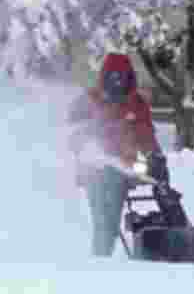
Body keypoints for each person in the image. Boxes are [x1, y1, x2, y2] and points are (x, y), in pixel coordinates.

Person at [67, 53, 169, 257]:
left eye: (122, 77)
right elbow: (72, 133)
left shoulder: (136, 104)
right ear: (104, 77)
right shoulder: (88, 101)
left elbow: (146, 134)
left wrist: (155, 157)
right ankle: (100, 258)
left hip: (122, 172)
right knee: (102, 221)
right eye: (113, 76)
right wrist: (86, 146)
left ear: (129, 78)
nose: (117, 82)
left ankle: (103, 255)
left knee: (110, 217)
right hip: (93, 172)